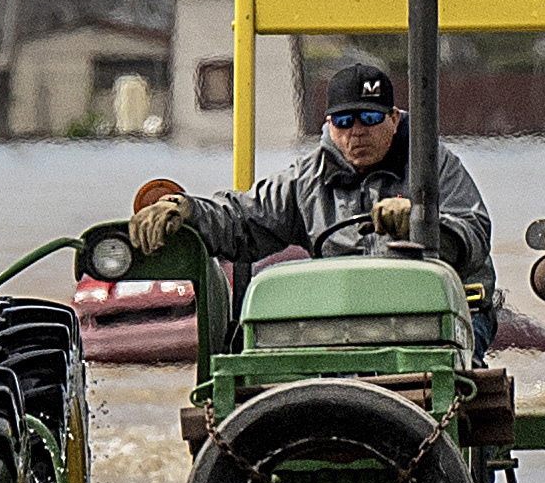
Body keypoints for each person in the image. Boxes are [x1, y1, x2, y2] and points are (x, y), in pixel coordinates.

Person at [128, 61, 500, 356]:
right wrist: (186, 208)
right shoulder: (307, 179)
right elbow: (244, 218)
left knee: (449, 365)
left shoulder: (434, 165)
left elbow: (473, 233)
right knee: (270, 362)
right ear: (328, 126)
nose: (357, 131)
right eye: (344, 121)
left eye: (370, 119)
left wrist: (419, 223)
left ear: (394, 119)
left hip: (438, 313)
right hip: (343, 318)